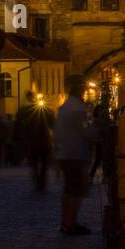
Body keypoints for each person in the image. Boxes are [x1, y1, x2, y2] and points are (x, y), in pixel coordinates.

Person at [54, 76, 98, 236]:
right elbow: (87, 131)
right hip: (77, 154)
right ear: (81, 91)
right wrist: (99, 132)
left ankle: (66, 222)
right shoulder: (80, 109)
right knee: (75, 191)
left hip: (64, 154)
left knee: (68, 190)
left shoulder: (64, 107)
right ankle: (70, 224)